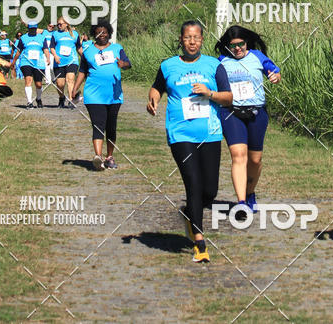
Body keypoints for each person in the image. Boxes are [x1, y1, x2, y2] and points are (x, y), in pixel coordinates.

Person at [147, 20, 232, 263]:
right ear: (181, 40)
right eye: (187, 37)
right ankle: (200, 243)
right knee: (193, 185)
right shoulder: (168, 66)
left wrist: (210, 93)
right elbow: (156, 89)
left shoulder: (214, 66)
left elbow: (229, 98)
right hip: (180, 134)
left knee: (210, 191)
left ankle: (189, 213)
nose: (192, 41)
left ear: (202, 40)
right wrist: (152, 99)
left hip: (210, 134)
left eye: (196, 37)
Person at [214, 25, 281, 213]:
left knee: (255, 160)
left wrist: (275, 77)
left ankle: (250, 193)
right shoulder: (221, 61)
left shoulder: (257, 57)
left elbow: (274, 71)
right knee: (238, 156)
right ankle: (241, 202)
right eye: (233, 46)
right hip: (231, 113)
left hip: (257, 113)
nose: (237, 49)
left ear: (246, 43)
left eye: (240, 44)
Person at [73, 20, 131, 171]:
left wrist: (122, 64)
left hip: (114, 95)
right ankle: (98, 157)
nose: (102, 35)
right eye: (98, 32)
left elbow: (128, 64)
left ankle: (109, 157)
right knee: (98, 124)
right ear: (94, 34)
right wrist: (75, 88)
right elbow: (82, 71)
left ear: (109, 33)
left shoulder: (117, 48)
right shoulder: (88, 52)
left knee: (111, 127)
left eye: (104, 32)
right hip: (93, 95)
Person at [10, 22, 46, 109]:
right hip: (26, 62)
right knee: (28, 80)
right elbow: (19, 51)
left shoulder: (42, 38)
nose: (33, 31)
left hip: (38, 63)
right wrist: (13, 62)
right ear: (29, 29)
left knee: (39, 84)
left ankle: (38, 98)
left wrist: (48, 58)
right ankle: (29, 102)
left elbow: (45, 49)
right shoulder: (23, 38)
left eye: (34, 29)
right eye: (31, 29)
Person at [49, 16, 82, 108]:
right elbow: (51, 47)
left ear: (66, 24)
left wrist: (84, 58)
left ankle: (71, 100)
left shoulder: (74, 34)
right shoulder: (55, 34)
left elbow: (79, 48)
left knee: (70, 80)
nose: (58, 26)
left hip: (72, 61)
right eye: (57, 24)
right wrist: (55, 56)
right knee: (60, 84)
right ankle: (61, 97)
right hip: (59, 62)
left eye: (60, 24)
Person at [39, 21, 56, 86]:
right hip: (45, 52)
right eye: (49, 26)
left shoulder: (54, 33)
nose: (51, 28)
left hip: (52, 52)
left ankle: (53, 78)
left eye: (52, 27)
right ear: (47, 26)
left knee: (52, 67)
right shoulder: (43, 32)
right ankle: (48, 81)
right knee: (47, 66)